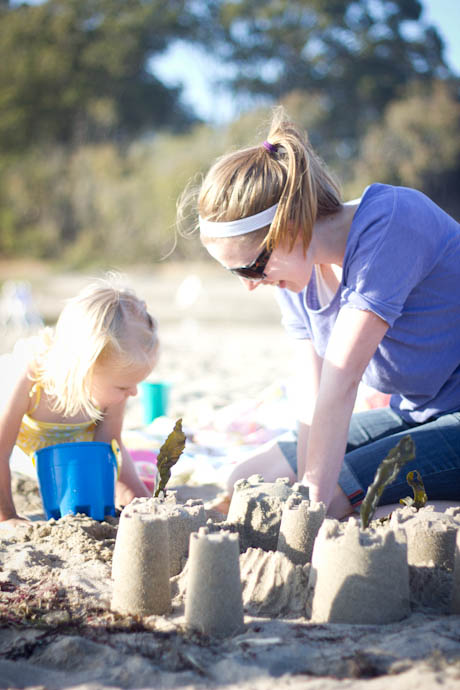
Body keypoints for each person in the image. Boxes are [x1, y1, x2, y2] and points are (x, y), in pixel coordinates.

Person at [181, 106, 460, 519]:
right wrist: (308, 485)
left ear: (291, 226)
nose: (250, 284)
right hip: (418, 413)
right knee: (249, 477)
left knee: (332, 500)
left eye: (252, 267)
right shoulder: (296, 269)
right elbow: (312, 400)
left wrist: (312, 501)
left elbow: (341, 381)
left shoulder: (392, 223)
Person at [0, 276, 159, 526]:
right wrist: (7, 515)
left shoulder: (112, 386)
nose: (134, 393)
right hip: (21, 449)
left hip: (67, 459)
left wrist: (136, 496)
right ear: (84, 369)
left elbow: (111, 445)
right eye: (124, 386)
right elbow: (1, 450)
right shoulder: (29, 379)